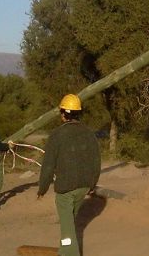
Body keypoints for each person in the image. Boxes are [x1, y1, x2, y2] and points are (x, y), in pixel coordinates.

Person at [37, 94, 101, 256]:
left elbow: (48, 166)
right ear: (78, 113)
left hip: (66, 190)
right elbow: (96, 162)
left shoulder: (57, 135)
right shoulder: (89, 133)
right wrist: (92, 185)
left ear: (63, 114)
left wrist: (42, 188)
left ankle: (68, 253)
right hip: (84, 187)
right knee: (70, 223)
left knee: (67, 230)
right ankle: (65, 250)